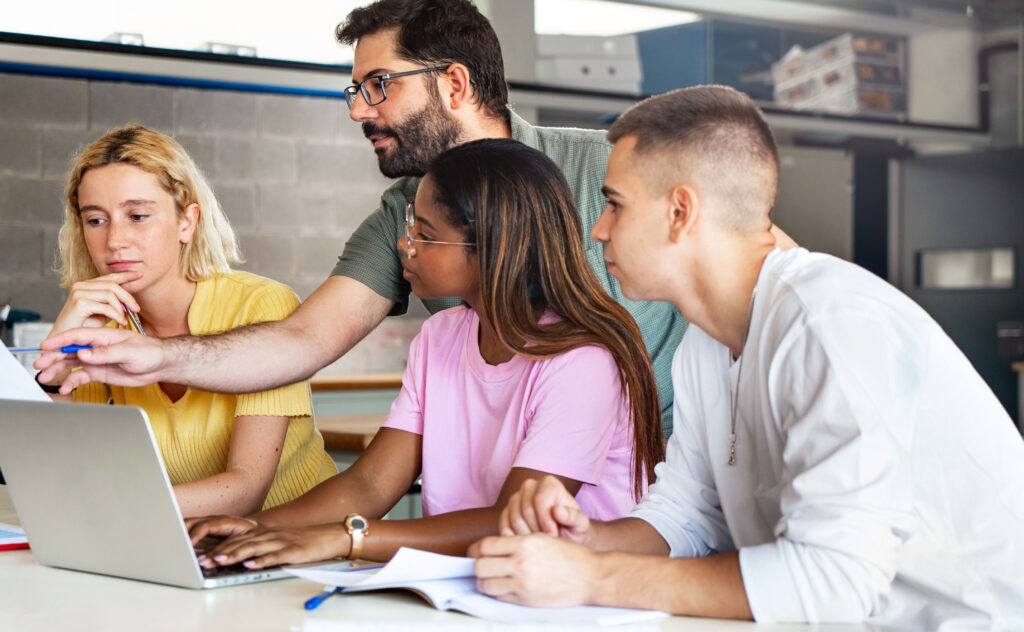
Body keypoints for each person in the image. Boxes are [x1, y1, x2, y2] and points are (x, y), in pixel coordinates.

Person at [469, 86, 1024, 630]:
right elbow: (690, 514)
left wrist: (594, 577)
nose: (599, 229)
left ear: (680, 211)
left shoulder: (828, 323)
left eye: (614, 204)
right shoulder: (707, 341)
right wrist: (586, 538)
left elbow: (833, 582)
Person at [35, 0, 701, 435]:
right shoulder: (401, 213)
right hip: (523, 488)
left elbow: (760, 262)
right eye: (354, 90)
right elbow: (300, 341)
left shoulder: (605, 167)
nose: (358, 110)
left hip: (666, 477)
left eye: (377, 86)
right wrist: (153, 356)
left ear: (455, 85)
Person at [183, 139, 665, 568]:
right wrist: (260, 528)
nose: (404, 244)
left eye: (426, 234)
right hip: (471, 583)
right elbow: (369, 484)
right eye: (412, 224)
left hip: (576, 598)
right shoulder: (441, 336)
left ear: (493, 247)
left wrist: (344, 540)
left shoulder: (583, 360)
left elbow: (512, 521)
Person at [42, 125, 337, 518]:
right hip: (179, 539)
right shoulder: (104, 325)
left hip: (297, 543)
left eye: (138, 216)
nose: (115, 240)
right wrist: (58, 360)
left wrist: (115, 504)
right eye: (96, 220)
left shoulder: (262, 305)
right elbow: (60, 472)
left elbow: (245, 491)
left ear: (187, 221)